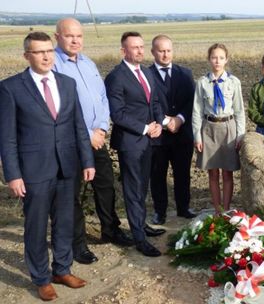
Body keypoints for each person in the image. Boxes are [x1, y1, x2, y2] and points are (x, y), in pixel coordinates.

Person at [0, 32, 95, 301]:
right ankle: (41, 278)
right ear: (26, 56)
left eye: (49, 51)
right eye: (39, 52)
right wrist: (13, 175)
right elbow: (6, 137)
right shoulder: (10, 88)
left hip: (67, 167)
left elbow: (78, 126)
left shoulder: (67, 83)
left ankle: (62, 269)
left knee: (64, 222)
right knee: (37, 226)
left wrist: (87, 161)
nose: (46, 56)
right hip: (34, 171)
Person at [53, 18, 134, 265]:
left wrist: (100, 127)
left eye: (79, 36)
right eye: (69, 36)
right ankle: (77, 244)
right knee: (73, 194)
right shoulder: (54, 65)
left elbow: (101, 97)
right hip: (70, 142)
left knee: (105, 184)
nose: (75, 40)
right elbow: (58, 107)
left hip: (96, 138)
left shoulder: (88, 63)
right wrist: (87, 133)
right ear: (57, 37)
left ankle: (110, 229)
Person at [105, 32, 166, 257]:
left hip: (149, 141)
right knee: (132, 189)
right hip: (130, 142)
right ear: (124, 51)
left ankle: (142, 225)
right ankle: (139, 239)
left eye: (142, 46)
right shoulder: (116, 77)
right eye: (135, 47)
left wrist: (159, 124)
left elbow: (156, 103)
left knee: (142, 187)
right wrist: (144, 128)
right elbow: (117, 114)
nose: (140, 51)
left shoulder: (147, 72)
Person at [192, 43, 246, 214]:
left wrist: (240, 135)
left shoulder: (233, 82)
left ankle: (227, 209)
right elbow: (197, 111)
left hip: (228, 129)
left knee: (228, 173)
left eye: (221, 58)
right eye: (214, 57)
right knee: (213, 173)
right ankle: (217, 210)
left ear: (226, 60)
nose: (217, 61)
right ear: (209, 59)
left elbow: (239, 111)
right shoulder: (202, 83)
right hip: (209, 129)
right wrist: (197, 136)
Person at [148, 34, 196, 224]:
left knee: (182, 173)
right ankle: (160, 211)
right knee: (158, 174)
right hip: (159, 136)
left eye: (168, 50)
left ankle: (183, 208)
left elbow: (191, 100)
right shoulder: (146, 74)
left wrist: (180, 119)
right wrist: (167, 122)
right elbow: (150, 103)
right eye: (161, 51)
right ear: (153, 52)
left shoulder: (185, 73)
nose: (165, 54)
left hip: (182, 134)